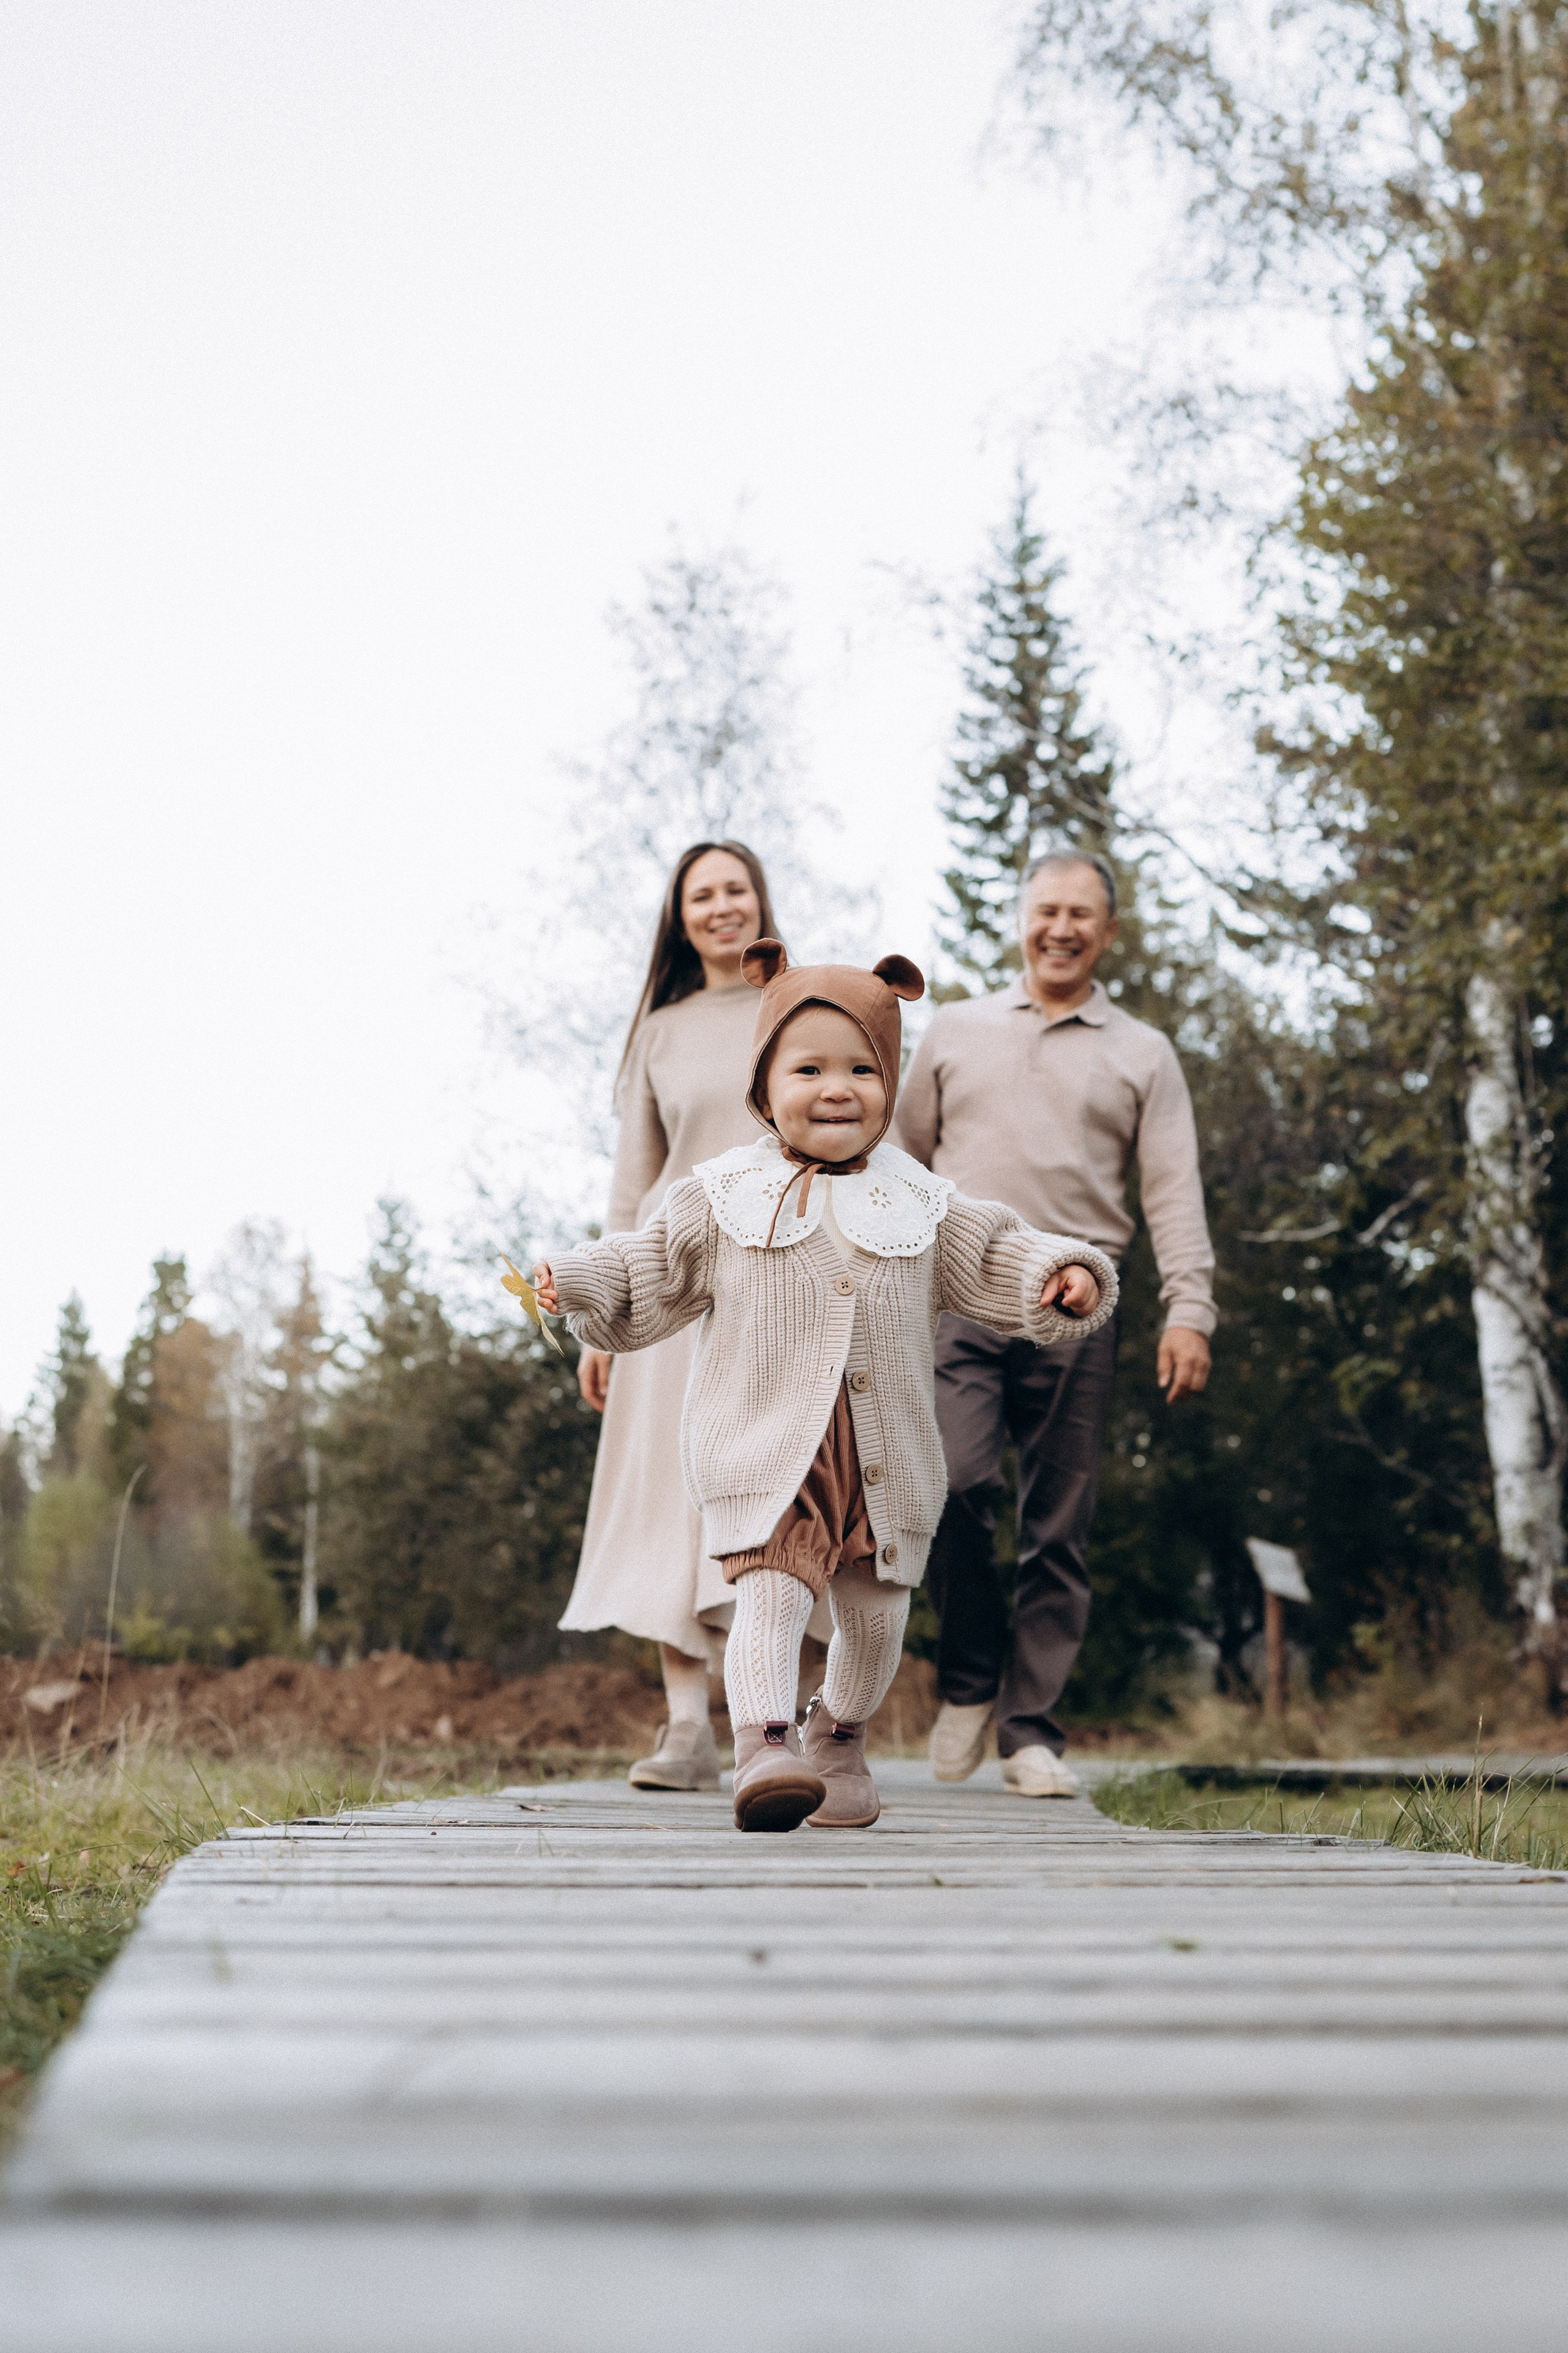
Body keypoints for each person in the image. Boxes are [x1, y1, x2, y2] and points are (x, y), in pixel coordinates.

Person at [533, 941, 1117, 1833]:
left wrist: (1061, 1271)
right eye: (808, 1068)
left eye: (861, 1069)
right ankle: (765, 1746)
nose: (836, 1087)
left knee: (876, 1626)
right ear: (765, 1089)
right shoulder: (721, 1195)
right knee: (768, 1597)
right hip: (767, 1452)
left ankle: (837, 1735)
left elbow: (998, 1247)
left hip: (884, 1462)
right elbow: (644, 1265)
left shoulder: (921, 1198)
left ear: (890, 1085)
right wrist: (576, 1279)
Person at [896, 850, 1216, 1799]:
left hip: (1083, 1294)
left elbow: (1173, 1190)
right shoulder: (955, 1031)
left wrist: (1189, 1309)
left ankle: (1029, 1729)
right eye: (1048, 910)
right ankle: (966, 1679)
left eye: (1083, 914)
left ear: (1109, 933)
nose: (1063, 928)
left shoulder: (1141, 1052)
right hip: (964, 1284)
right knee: (953, 1485)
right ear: (1022, 921)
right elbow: (899, 1162)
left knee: (1060, 1520)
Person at [559, 838, 796, 1794]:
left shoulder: (797, 1007)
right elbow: (631, 1189)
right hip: (670, 1284)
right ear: (681, 914)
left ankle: (767, 1721)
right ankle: (686, 1724)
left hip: (776, 1281)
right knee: (673, 1497)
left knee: (779, 1488)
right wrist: (600, 1311)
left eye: (736, 889)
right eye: (703, 894)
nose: (722, 906)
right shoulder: (659, 1031)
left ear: (761, 901)